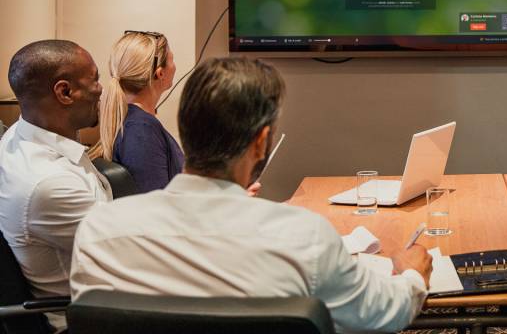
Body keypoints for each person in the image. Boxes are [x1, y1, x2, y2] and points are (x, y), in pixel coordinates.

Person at [70, 57, 432, 333]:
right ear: (261, 141)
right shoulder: (304, 237)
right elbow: (382, 313)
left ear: (185, 129)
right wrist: (411, 274)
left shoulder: (98, 230)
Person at [0, 40, 111, 328]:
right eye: (95, 78)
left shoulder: (19, 135)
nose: (101, 89)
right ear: (64, 92)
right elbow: (132, 254)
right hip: (84, 320)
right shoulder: (49, 184)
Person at [94, 30, 183, 192]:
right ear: (160, 73)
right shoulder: (141, 130)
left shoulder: (135, 122)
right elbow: (153, 206)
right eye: (172, 59)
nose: (175, 66)